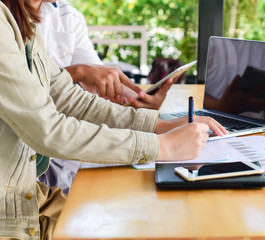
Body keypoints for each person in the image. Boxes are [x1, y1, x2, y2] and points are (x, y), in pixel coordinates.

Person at [0, 0, 228, 239]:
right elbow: (48, 130)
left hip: (29, 195)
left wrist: (158, 125)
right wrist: (163, 146)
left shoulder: (23, 22)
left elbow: (69, 98)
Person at [37, 0, 178, 194]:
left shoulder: (68, 16)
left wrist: (140, 100)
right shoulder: (9, 22)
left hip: (63, 145)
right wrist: (76, 73)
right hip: (39, 150)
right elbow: (28, 93)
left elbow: (100, 82)